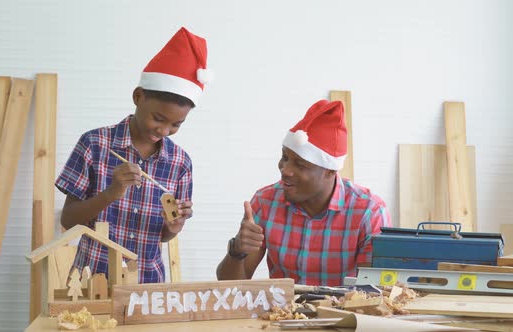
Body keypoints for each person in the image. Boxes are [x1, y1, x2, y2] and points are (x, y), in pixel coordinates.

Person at [56, 27, 211, 284]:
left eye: (176, 125)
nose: (163, 131)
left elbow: (161, 236)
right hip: (92, 279)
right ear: (138, 96)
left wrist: (173, 227)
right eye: (158, 118)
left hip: (147, 285)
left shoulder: (180, 163)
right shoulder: (95, 144)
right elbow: (68, 220)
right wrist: (111, 193)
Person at [216, 100, 391, 286]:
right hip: (284, 314)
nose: (285, 170)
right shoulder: (265, 202)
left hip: (344, 313)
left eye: (300, 165)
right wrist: (237, 250)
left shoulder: (368, 212)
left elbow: (375, 291)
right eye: (285, 157)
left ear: (330, 171)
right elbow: (230, 287)